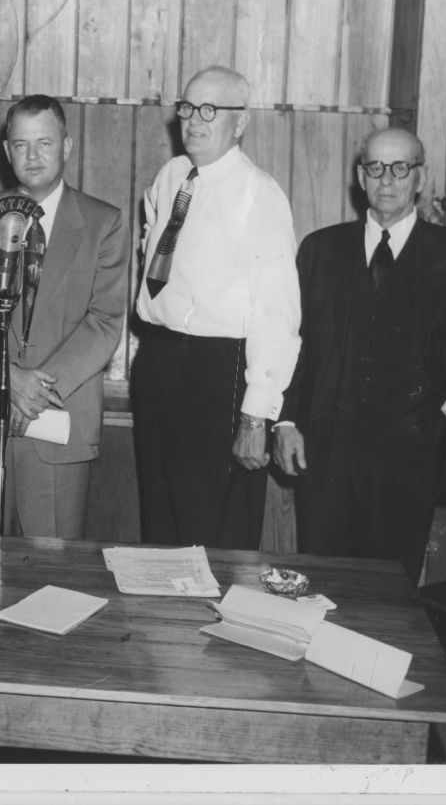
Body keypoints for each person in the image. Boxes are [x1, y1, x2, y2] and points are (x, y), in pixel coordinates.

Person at [273, 127, 446, 582]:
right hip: (327, 454)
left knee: (392, 592)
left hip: (412, 456)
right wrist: (286, 421)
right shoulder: (320, 250)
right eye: (376, 168)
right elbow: (294, 345)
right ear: (361, 177)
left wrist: (444, 418)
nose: (388, 180)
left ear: (420, 177)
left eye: (401, 168)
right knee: (324, 583)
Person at [0, 95, 128, 538]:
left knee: (51, 579)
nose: (32, 156)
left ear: (66, 146)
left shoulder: (104, 223)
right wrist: (9, 377)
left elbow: (104, 321)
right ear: (6, 152)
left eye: (44, 143)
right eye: (21, 145)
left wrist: (36, 389)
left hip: (60, 420)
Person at [133, 66, 301, 550]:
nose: (194, 121)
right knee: (160, 518)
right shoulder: (171, 177)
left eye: (210, 110)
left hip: (218, 370)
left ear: (240, 122)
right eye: (187, 108)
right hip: (160, 360)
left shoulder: (259, 194)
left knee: (210, 529)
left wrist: (256, 415)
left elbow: (277, 312)